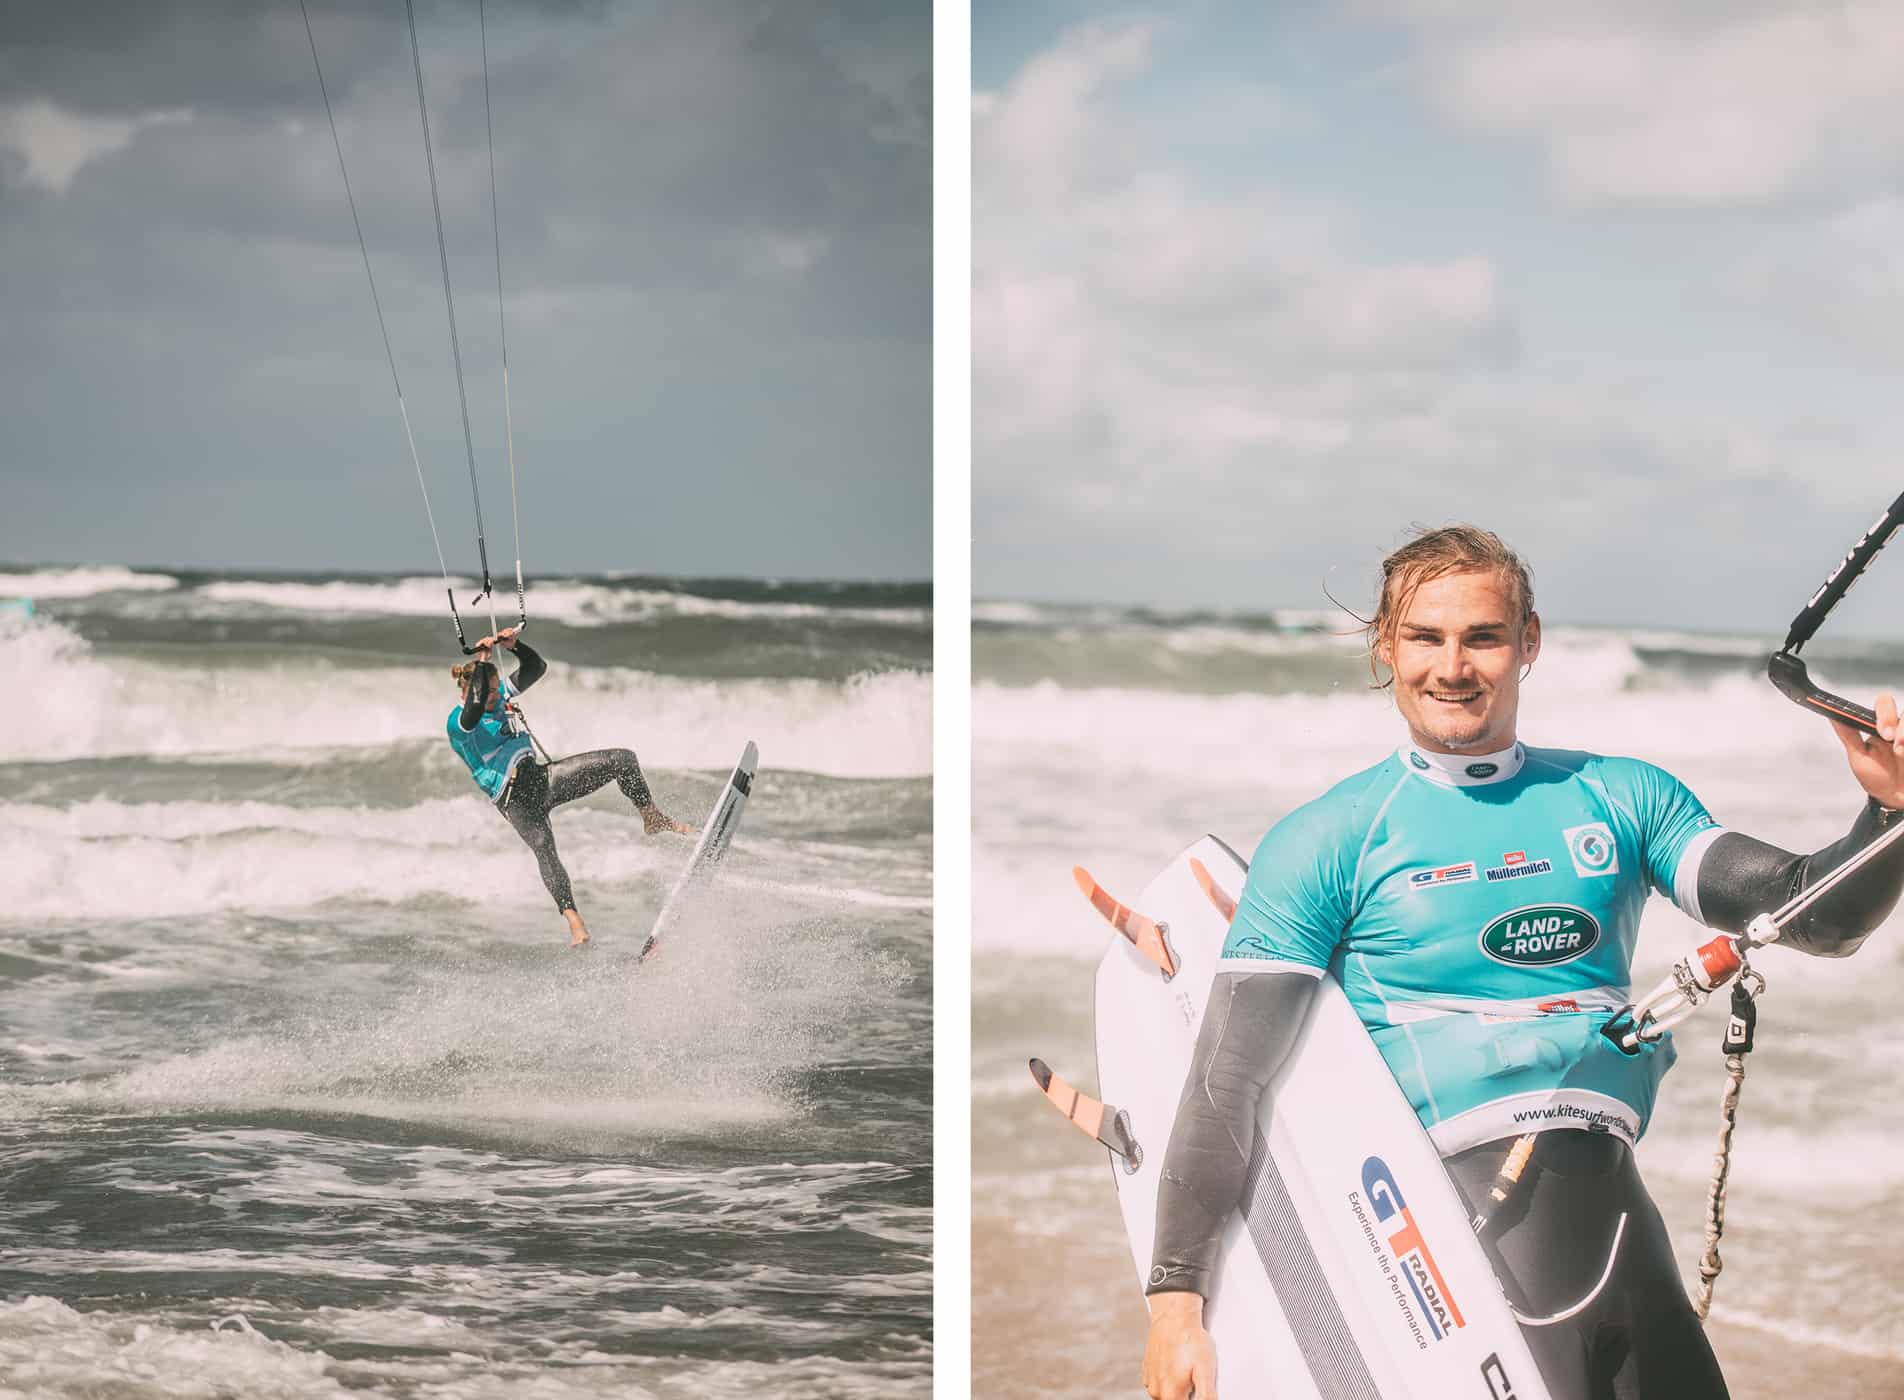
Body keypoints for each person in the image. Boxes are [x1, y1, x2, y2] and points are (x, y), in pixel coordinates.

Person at [1141, 525, 1904, 1400]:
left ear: (1529, 642)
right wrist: (1176, 1300)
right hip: (1451, 1260)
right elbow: (1228, 1077)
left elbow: (1816, 916)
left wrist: (1886, 815)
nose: (1452, 667)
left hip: (1620, 1224)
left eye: (1484, 637)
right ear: (1387, 646)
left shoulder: (1620, 799)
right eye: (1425, 637)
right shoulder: (1330, 840)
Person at [447, 627, 691, 948]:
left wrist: (514, 646)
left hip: (542, 780)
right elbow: (478, 702)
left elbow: (536, 669)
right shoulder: (461, 723)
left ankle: (652, 817)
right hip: (514, 800)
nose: (496, 696)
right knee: (545, 849)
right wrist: (482, 658)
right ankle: (574, 920)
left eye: (497, 690)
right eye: (491, 691)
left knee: (622, 759)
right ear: (465, 693)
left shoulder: (498, 697)